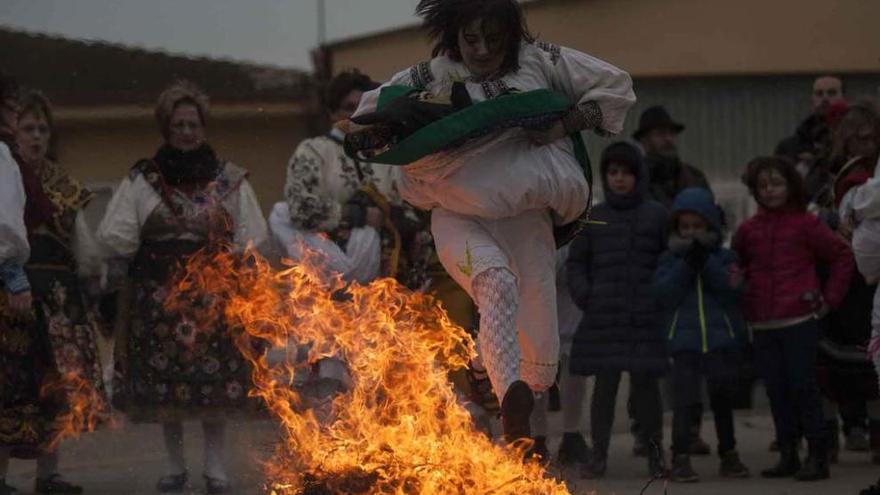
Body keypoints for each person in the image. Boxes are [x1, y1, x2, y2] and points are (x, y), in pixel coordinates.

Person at [350, 0, 635, 444]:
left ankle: (504, 383)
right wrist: (411, 120)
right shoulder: (433, 75)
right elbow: (371, 114)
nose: (481, 50)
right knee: (495, 282)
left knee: (540, 355)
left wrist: (562, 125)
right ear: (453, 34)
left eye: (493, 39)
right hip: (457, 216)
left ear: (511, 34)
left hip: (527, 221)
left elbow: (615, 86)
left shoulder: (540, 60)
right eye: (471, 39)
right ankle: (510, 409)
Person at [97, 80, 268, 494]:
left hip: (216, 298)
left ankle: (214, 468)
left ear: (204, 127)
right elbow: (119, 236)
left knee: (216, 389)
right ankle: (175, 467)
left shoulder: (229, 180)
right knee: (166, 390)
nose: (187, 132)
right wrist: (110, 290)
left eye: (193, 124)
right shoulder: (143, 180)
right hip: (158, 301)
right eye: (179, 125)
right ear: (166, 129)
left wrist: (254, 293)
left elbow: (250, 239)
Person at [0, 84, 106, 494]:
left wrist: (98, 288)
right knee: (10, 388)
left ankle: (49, 475)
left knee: (54, 388)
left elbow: (85, 248)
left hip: (59, 297)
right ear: (15, 131)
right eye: (28, 128)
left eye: (43, 129)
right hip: (13, 295)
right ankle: (3, 477)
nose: (37, 136)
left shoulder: (65, 185)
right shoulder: (6, 176)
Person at [735, 156, 853, 481]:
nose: (770, 191)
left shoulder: (806, 224)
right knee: (776, 390)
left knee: (804, 388)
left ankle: (817, 455)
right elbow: (738, 265)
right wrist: (739, 286)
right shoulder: (748, 231)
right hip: (762, 323)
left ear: (790, 185)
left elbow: (842, 254)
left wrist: (829, 300)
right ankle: (788, 453)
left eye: (776, 183)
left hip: (799, 321)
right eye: (762, 185)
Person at [567, 142, 668, 478]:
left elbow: (668, 261)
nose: (619, 179)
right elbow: (576, 262)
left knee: (647, 393)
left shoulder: (656, 215)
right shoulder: (594, 218)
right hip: (604, 318)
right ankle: (598, 456)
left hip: (643, 318)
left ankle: (656, 457)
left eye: (626, 173)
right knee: (604, 391)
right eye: (613, 172)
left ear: (638, 176)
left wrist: (658, 295)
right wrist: (587, 295)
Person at [653, 187, 750, 482]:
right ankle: (680, 456)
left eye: (698, 226)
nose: (692, 233)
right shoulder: (669, 259)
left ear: (710, 226)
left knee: (722, 398)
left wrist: (705, 262)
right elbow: (663, 294)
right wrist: (687, 265)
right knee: (685, 400)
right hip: (684, 342)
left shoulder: (724, 257)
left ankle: (729, 454)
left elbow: (732, 291)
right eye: (685, 227)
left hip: (720, 340)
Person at [529, 244, 590, 465]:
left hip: (570, 307)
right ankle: (538, 437)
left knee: (574, 375)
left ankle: (571, 434)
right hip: (536, 306)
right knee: (535, 374)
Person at [634, 105, 711, 209]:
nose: (668, 139)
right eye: (660, 134)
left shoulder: (695, 177)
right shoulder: (634, 179)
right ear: (644, 140)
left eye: (671, 133)